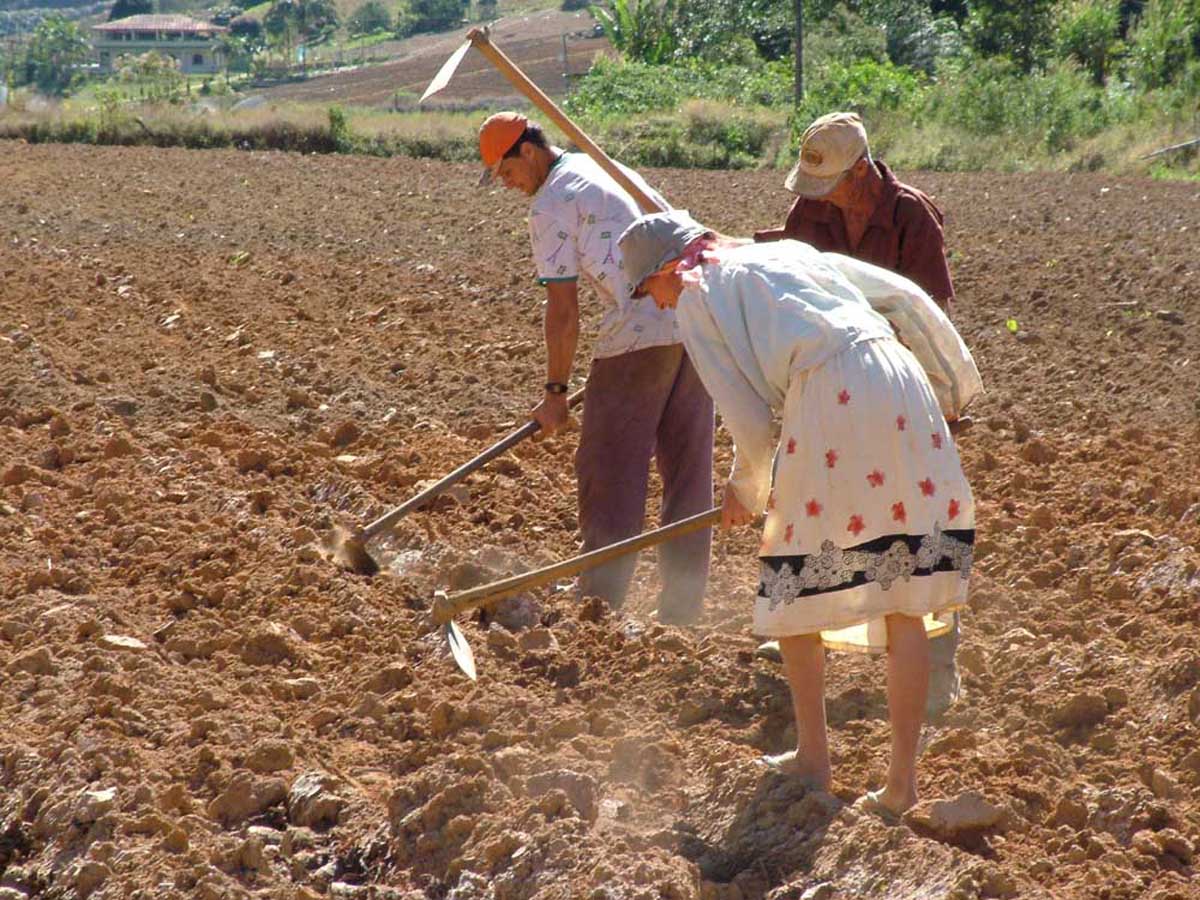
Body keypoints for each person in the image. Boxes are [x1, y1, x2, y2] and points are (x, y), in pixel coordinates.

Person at [617, 210, 981, 815]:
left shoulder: (694, 293)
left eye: (646, 290)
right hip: (900, 381)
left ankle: (814, 757)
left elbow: (749, 418)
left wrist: (746, 491)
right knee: (903, 590)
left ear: (665, 270)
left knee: (789, 584)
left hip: (836, 397)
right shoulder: (783, 255)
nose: (654, 304)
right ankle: (900, 787)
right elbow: (901, 298)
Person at [755, 112, 964, 714]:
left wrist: (935, 402)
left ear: (865, 171)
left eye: (832, 183)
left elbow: (926, 314)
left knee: (920, 521)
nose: (820, 197)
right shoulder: (810, 213)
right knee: (813, 502)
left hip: (898, 383)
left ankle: (939, 664)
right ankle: (804, 630)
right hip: (830, 383)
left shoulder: (910, 217)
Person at [477, 112, 714, 624]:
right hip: (697, 318)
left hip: (639, 326)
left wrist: (556, 393)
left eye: (505, 170)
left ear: (529, 151)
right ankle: (682, 610)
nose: (507, 184)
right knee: (689, 472)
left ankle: (597, 610)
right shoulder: (595, 164)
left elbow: (562, 311)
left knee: (609, 470)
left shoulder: (550, 205)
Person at [754, 111, 955, 312]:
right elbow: (789, 280)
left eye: (828, 184)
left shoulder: (911, 214)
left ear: (860, 169)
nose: (820, 196)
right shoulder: (809, 207)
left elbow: (934, 309)